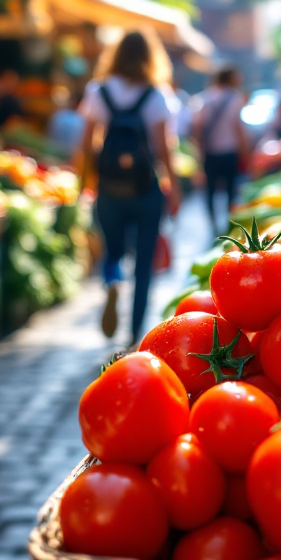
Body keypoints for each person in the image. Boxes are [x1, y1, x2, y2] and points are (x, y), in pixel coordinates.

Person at [77, 30, 181, 344]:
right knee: (145, 260)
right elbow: (164, 150)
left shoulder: (99, 91)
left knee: (113, 250)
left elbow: (85, 144)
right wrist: (174, 188)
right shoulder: (156, 94)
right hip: (145, 188)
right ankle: (135, 330)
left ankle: (111, 281)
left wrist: (84, 182)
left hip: (110, 189)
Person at [192, 66, 249, 235]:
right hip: (230, 152)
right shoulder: (235, 98)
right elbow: (238, 129)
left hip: (210, 153)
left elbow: (197, 128)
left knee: (210, 190)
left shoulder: (205, 98)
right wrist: (246, 152)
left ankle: (213, 224)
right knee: (231, 190)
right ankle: (229, 223)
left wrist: (199, 152)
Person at [47, 87, 86, 157]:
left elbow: (49, 135)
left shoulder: (58, 115)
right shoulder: (81, 120)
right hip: (70, 158)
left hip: (51, 154)